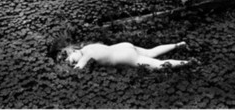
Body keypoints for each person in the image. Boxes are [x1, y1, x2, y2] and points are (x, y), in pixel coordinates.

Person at [63, 41, 198, 70]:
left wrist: (70, 69)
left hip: (126, 56)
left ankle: (188, 62)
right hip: (123, 46)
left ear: (74, 51)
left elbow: (78, 69)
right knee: (151, 51)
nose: (73, 63)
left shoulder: (88, 54)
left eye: (71, 60)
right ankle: (179, 44)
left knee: (158, 65)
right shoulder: (87, 46)